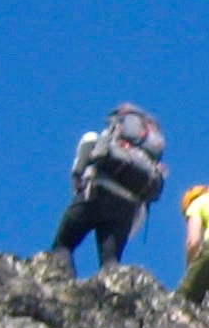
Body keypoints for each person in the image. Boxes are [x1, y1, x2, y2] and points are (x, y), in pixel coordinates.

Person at [50, 104, 167, 274]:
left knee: (63, 245)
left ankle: (63, 286)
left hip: (96, 193)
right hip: (127, 206)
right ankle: (114, 295)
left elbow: (89, 140)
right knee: (110, 261)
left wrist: (77, 178)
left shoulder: (112, 137)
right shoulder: (148, 158)